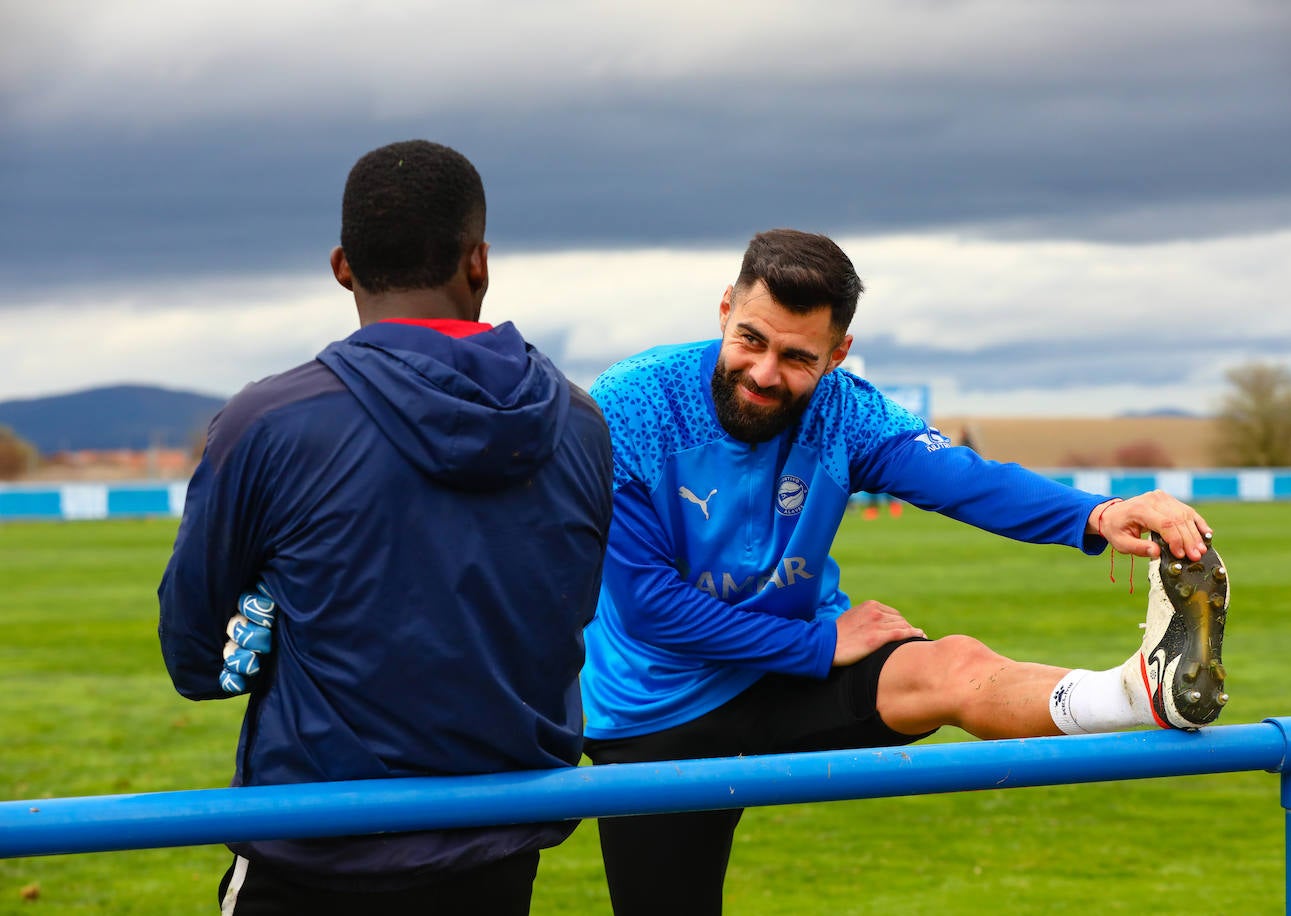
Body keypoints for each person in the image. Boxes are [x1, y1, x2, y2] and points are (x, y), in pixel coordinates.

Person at [581, 228, 1229, 915]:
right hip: (656, 709)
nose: (767, 373)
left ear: (838, 355)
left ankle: (1137, 693)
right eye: (750, 340)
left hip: (789, 672)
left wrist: (1098, 515)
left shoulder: (846, 413)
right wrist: (823, 645)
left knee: (948, 667)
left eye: (798, 357)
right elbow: (653, 609)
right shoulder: (632, 402)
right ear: (722, 311)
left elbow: (962, 478)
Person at [158, 139, 614, 915]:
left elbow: (196, 658)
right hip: (497, 848)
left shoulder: (270, 422)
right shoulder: (581, 423)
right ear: (479, 263)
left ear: (343, 266)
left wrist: (264, 622)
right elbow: (562, 617)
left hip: (313, 852)